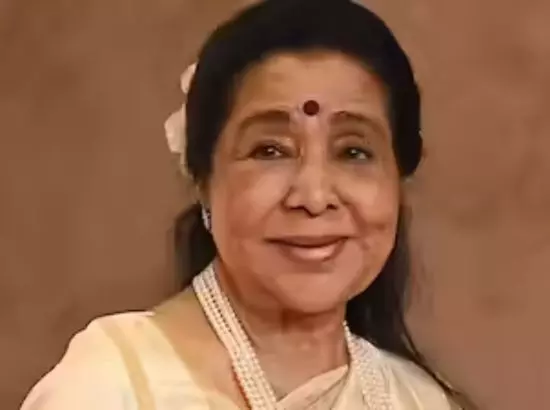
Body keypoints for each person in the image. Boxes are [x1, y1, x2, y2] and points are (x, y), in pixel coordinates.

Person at [21, 0, 470, 408]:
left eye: (353, 152)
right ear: (202, 179)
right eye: (269, 150)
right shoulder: (110, 386)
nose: (313, 197)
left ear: (397, 180)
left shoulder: (419, 401)